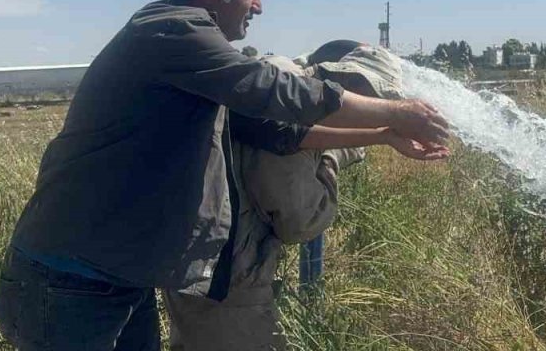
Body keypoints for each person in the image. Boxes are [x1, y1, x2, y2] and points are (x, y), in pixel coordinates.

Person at [0, 0, 450, 351]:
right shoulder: (171, 29)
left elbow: (272, 129)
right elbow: (275, 90)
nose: (258, 6)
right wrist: (393, 110)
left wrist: (383, 135)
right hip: (69, 283)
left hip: (118, 278)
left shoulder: (193, 63)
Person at [163, 41, 427, 350]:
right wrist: (335, 155)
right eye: (375, 102)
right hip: (229, 280)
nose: (375, 113)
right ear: (353, 84)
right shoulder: (297, 110)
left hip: (194, 260)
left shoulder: (279, 80)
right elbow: (299, 221)